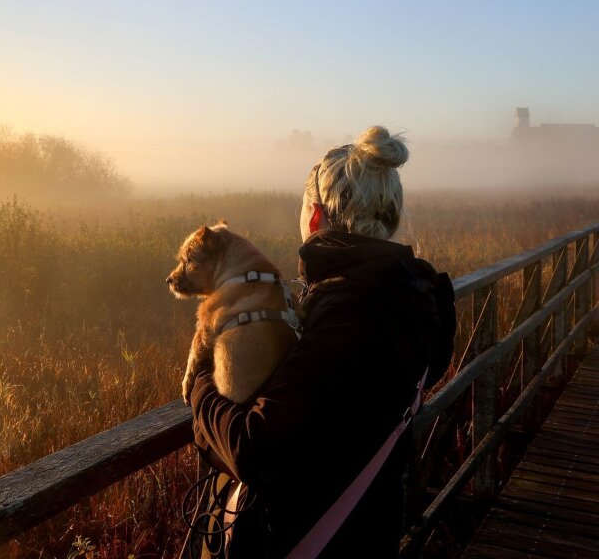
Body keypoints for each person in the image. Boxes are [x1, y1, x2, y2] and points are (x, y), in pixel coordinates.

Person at [189, 126, 457, 558]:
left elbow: (253, 448)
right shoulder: (415, 295)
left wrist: (202, 379)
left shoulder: (349, 311)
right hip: (371, 523)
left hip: (309, 536)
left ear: (315, 216)